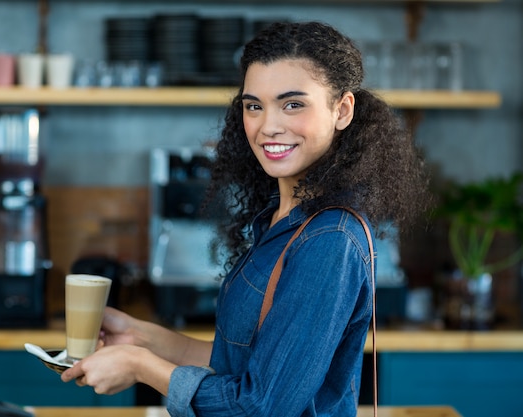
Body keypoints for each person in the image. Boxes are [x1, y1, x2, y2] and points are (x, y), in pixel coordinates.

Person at [61, 21, 431, 416]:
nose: (268, 126)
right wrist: (142, 338)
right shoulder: (281, 221)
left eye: (293, 104)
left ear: (341, 110)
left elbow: (260, 406)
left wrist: (140, 367)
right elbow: (242, 364)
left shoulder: (329, 239)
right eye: (254, 105)